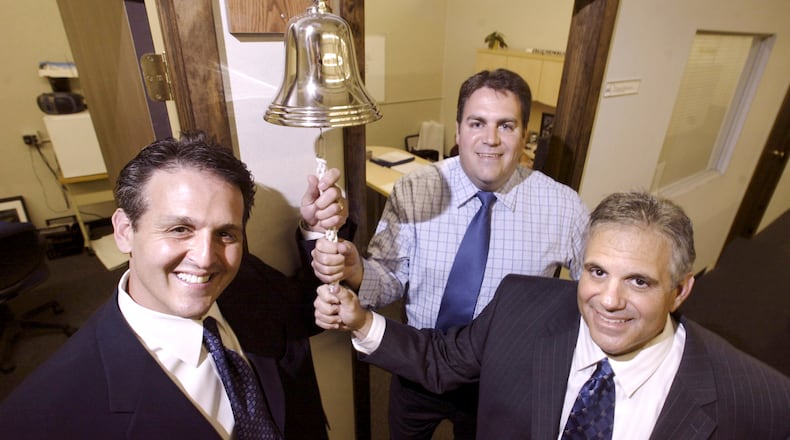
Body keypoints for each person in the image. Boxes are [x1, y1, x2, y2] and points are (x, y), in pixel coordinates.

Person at [315, 191, 790, 439]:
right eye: (597, 271)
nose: (608, 299)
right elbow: (440, 359)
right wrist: (359, 320)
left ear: (681, 290)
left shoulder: (761, 404)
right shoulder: (522, 305)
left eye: (639, 281)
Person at [0, 131, 347, 439]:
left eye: (225, 233)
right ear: (124, 231)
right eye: (180, 229)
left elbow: (305, 312)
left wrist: (317, 231)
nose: (205, 257)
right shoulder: (39, 417)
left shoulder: (244, 278)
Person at [310, 68, 588, 438]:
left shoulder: (565, 208)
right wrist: (356, 268)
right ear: (457, 130)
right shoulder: (414, 190)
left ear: (524, 135)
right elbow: (389, 277)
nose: (490, 139)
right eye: (477, 123)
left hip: (500, 382)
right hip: (415, 366)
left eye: (506, 125)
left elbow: (594, 296)